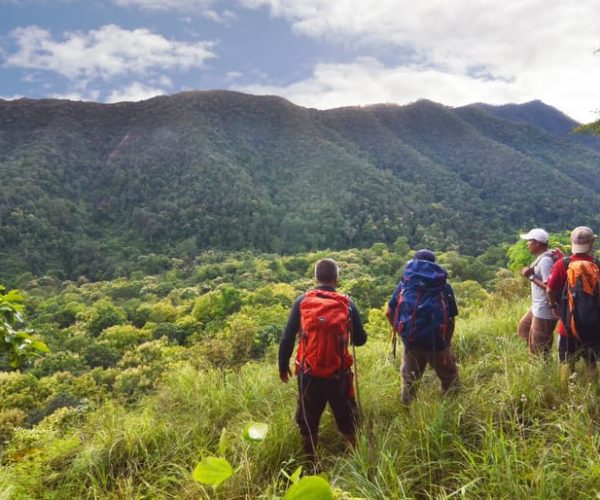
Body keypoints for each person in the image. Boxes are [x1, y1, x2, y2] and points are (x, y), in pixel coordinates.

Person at [278, 258, 367, 464]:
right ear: (336, 279)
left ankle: (312, 464)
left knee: (308, 422)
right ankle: (356, 461)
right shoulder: (347, 303)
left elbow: (287, 336)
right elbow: (360, 340)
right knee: (348, 421)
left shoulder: (302, 302)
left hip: (308, 374)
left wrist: (283, 366)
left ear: (316, 278)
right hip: (339, 375)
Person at [386, 249, 459, 404]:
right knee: (450, 379)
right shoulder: (443, 287)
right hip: (437, 342)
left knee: (409, 383)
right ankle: (448, 409)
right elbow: (451, 320)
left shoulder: (405, 285)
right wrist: (446, 344)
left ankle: (408, 415)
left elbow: (389, 312)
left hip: (411, 342)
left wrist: (402, 331)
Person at [546, 226, 600, 373]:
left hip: (568, 327)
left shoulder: (562, 264)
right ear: (592, 243)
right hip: (593, 325)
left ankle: (566, 394)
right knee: (592, 364)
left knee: (566, 364)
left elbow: (550, 289)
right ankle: (590, 392)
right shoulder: (597, 264)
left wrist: (554, 307)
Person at [517, 228, 558, 356]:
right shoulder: (542, 257)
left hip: (544, 308)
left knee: (539, 345)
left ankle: (541, 364)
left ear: (537, 243)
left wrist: (531, 277)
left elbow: (549, 287)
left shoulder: (546, 261)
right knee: (523, 328)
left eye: (529, 241)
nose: (527, 243)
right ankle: (535, 353)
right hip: (536, 306)